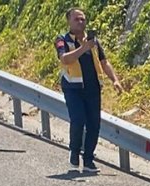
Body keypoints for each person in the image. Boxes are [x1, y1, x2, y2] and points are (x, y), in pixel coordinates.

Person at [54, 8, 123, 173]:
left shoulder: (93, 42)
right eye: (76, 19)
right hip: (73, 88)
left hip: (93, 88)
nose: (80, 22)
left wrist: (115, 79)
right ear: (69, 21)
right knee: (78, 120)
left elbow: (104, 62)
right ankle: (74, 152)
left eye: (83, 19)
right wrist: (84, 48)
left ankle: (88, 159)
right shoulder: (62, 40)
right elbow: (65, 59)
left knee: (94, 124)